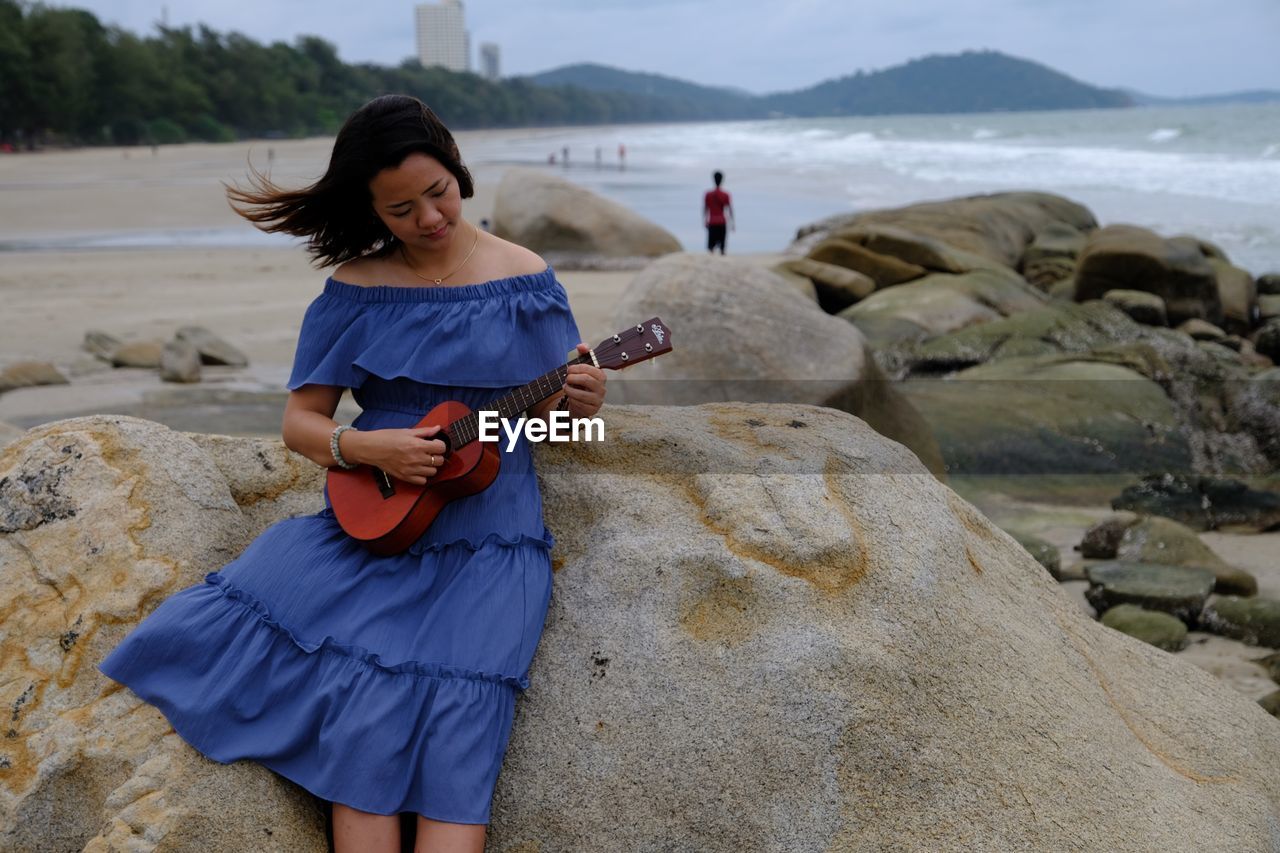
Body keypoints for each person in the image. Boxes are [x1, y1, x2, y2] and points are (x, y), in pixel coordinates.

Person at [98, 94, 606, 853]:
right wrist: (370, 449)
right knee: (358, 724)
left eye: (437, 193)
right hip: (370, 524)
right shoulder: (356, 287)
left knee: (460, 739)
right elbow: (301, 422)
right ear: (373, 211)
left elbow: (555, 427)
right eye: (402, 210)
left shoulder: (526, 279)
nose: (429, 219)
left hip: (489, 538)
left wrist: (587, 402)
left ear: (457, 170)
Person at [704, 170, 734, 254]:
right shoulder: (725, 194)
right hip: (722, 222)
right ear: (722, 180)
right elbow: (730, 209)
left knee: (711, 247)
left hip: (712, 222)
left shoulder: (708, 194)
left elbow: (705, 209)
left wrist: (705, 220)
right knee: (722, 248)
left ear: (713, 179)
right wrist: (732, 223)